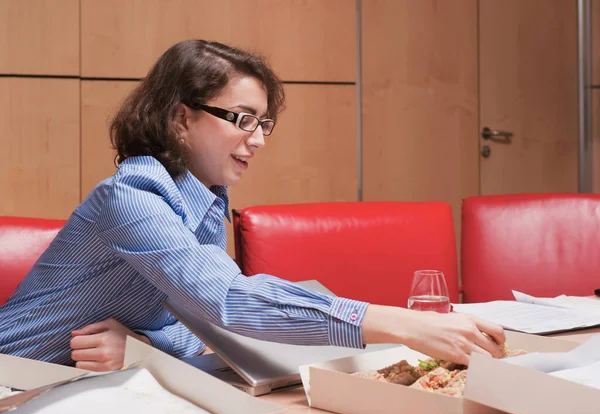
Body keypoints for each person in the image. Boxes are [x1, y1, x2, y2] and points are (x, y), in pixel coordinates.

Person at [0, 40, 505, 371]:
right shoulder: (131, 197)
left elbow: (198, 323)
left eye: (263, 123)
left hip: (87, 388)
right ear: (181, 119)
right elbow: (228, 303)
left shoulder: (205, 202)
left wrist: (144, 349)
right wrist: (406, 323)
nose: (258, 140)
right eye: (243, 119)